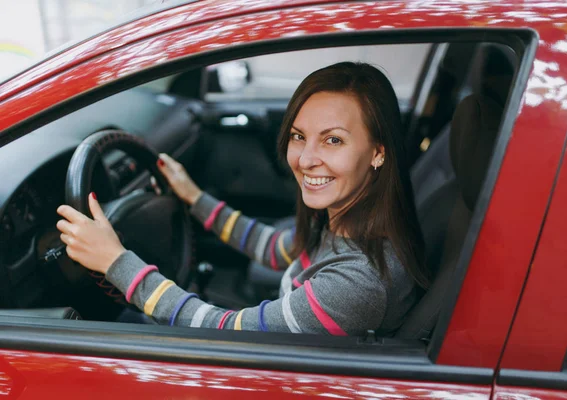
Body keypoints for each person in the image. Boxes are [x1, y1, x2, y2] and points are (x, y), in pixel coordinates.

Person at [56, 62, 429, 336]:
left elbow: (228, 330)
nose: (305, 158)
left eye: (333, 140)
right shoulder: (347, 219)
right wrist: (193, 197)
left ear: (378, 152)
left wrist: (116, 261)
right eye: (299, 136)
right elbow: (274, 248)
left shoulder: (356, 283)